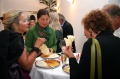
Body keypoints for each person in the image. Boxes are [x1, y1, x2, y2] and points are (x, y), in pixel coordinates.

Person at [63, 9, 120, 79]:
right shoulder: (118, 40)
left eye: (84, 28)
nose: (84, 34)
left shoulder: (91, 44)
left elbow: (78, 77)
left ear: (90, 29)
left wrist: (71, 57)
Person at [0, 9, 46, 79]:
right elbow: (27, 66)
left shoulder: (6, 34)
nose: (28, 23)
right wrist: (36, 46)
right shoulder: (15, 39)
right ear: (14, 24)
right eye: (24, 21)